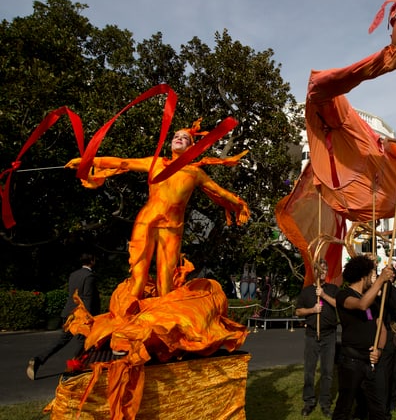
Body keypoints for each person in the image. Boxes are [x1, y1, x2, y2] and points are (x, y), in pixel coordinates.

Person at [66, 122, 250, 302]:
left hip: (172, 227)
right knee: (138, 273)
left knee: (166, 280)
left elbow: (220, 191)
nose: (179, 139)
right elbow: (122, 162)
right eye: (176, 136)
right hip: (147, 221)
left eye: (184, 138)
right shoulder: (154, 163)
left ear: (192, 147)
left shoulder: (196, 174)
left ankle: (162, 322)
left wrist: (240, 204)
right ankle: (131, 315)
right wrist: (87, 161)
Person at [332, 255, 394, 420]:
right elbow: (361, 305)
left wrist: (379, 350)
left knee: (377, 409)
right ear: (363, 275)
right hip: (351, 362)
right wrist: (380, 280)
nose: (372, 278)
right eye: (371, 274)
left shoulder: (372, 300)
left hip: (370, 362)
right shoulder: (343, 295)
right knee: (344, 407)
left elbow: (382, 329)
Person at [27, 252, 100, 380]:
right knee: (82, 342)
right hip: (80, 315)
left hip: (68, 313)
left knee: (61, 341)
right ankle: (73, 370)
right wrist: (88, 317)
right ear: (92, 260)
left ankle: (38, 359)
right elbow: (88, 297)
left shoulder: (73, 275)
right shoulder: (89, 276)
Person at [295, 259, 339, 418]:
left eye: (325, 270)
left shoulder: (333, 289)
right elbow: (298, 311)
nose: (323, 273)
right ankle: (309, 401)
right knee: (309, 371)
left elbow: (338, 305)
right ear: (315, 272)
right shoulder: (306, 291)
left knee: (327, 371)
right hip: (312, 335)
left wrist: (323, 295)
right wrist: (312, 310)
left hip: (329, 335)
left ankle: (325, 403)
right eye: (321, 270)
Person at [379, 268, 396, 418]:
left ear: (393, 276)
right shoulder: (376, 288)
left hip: (389, 334)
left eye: (390, 273)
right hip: (374, 333)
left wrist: (388, 291)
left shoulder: (395, 292)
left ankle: (391, 401)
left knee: (393, 372)